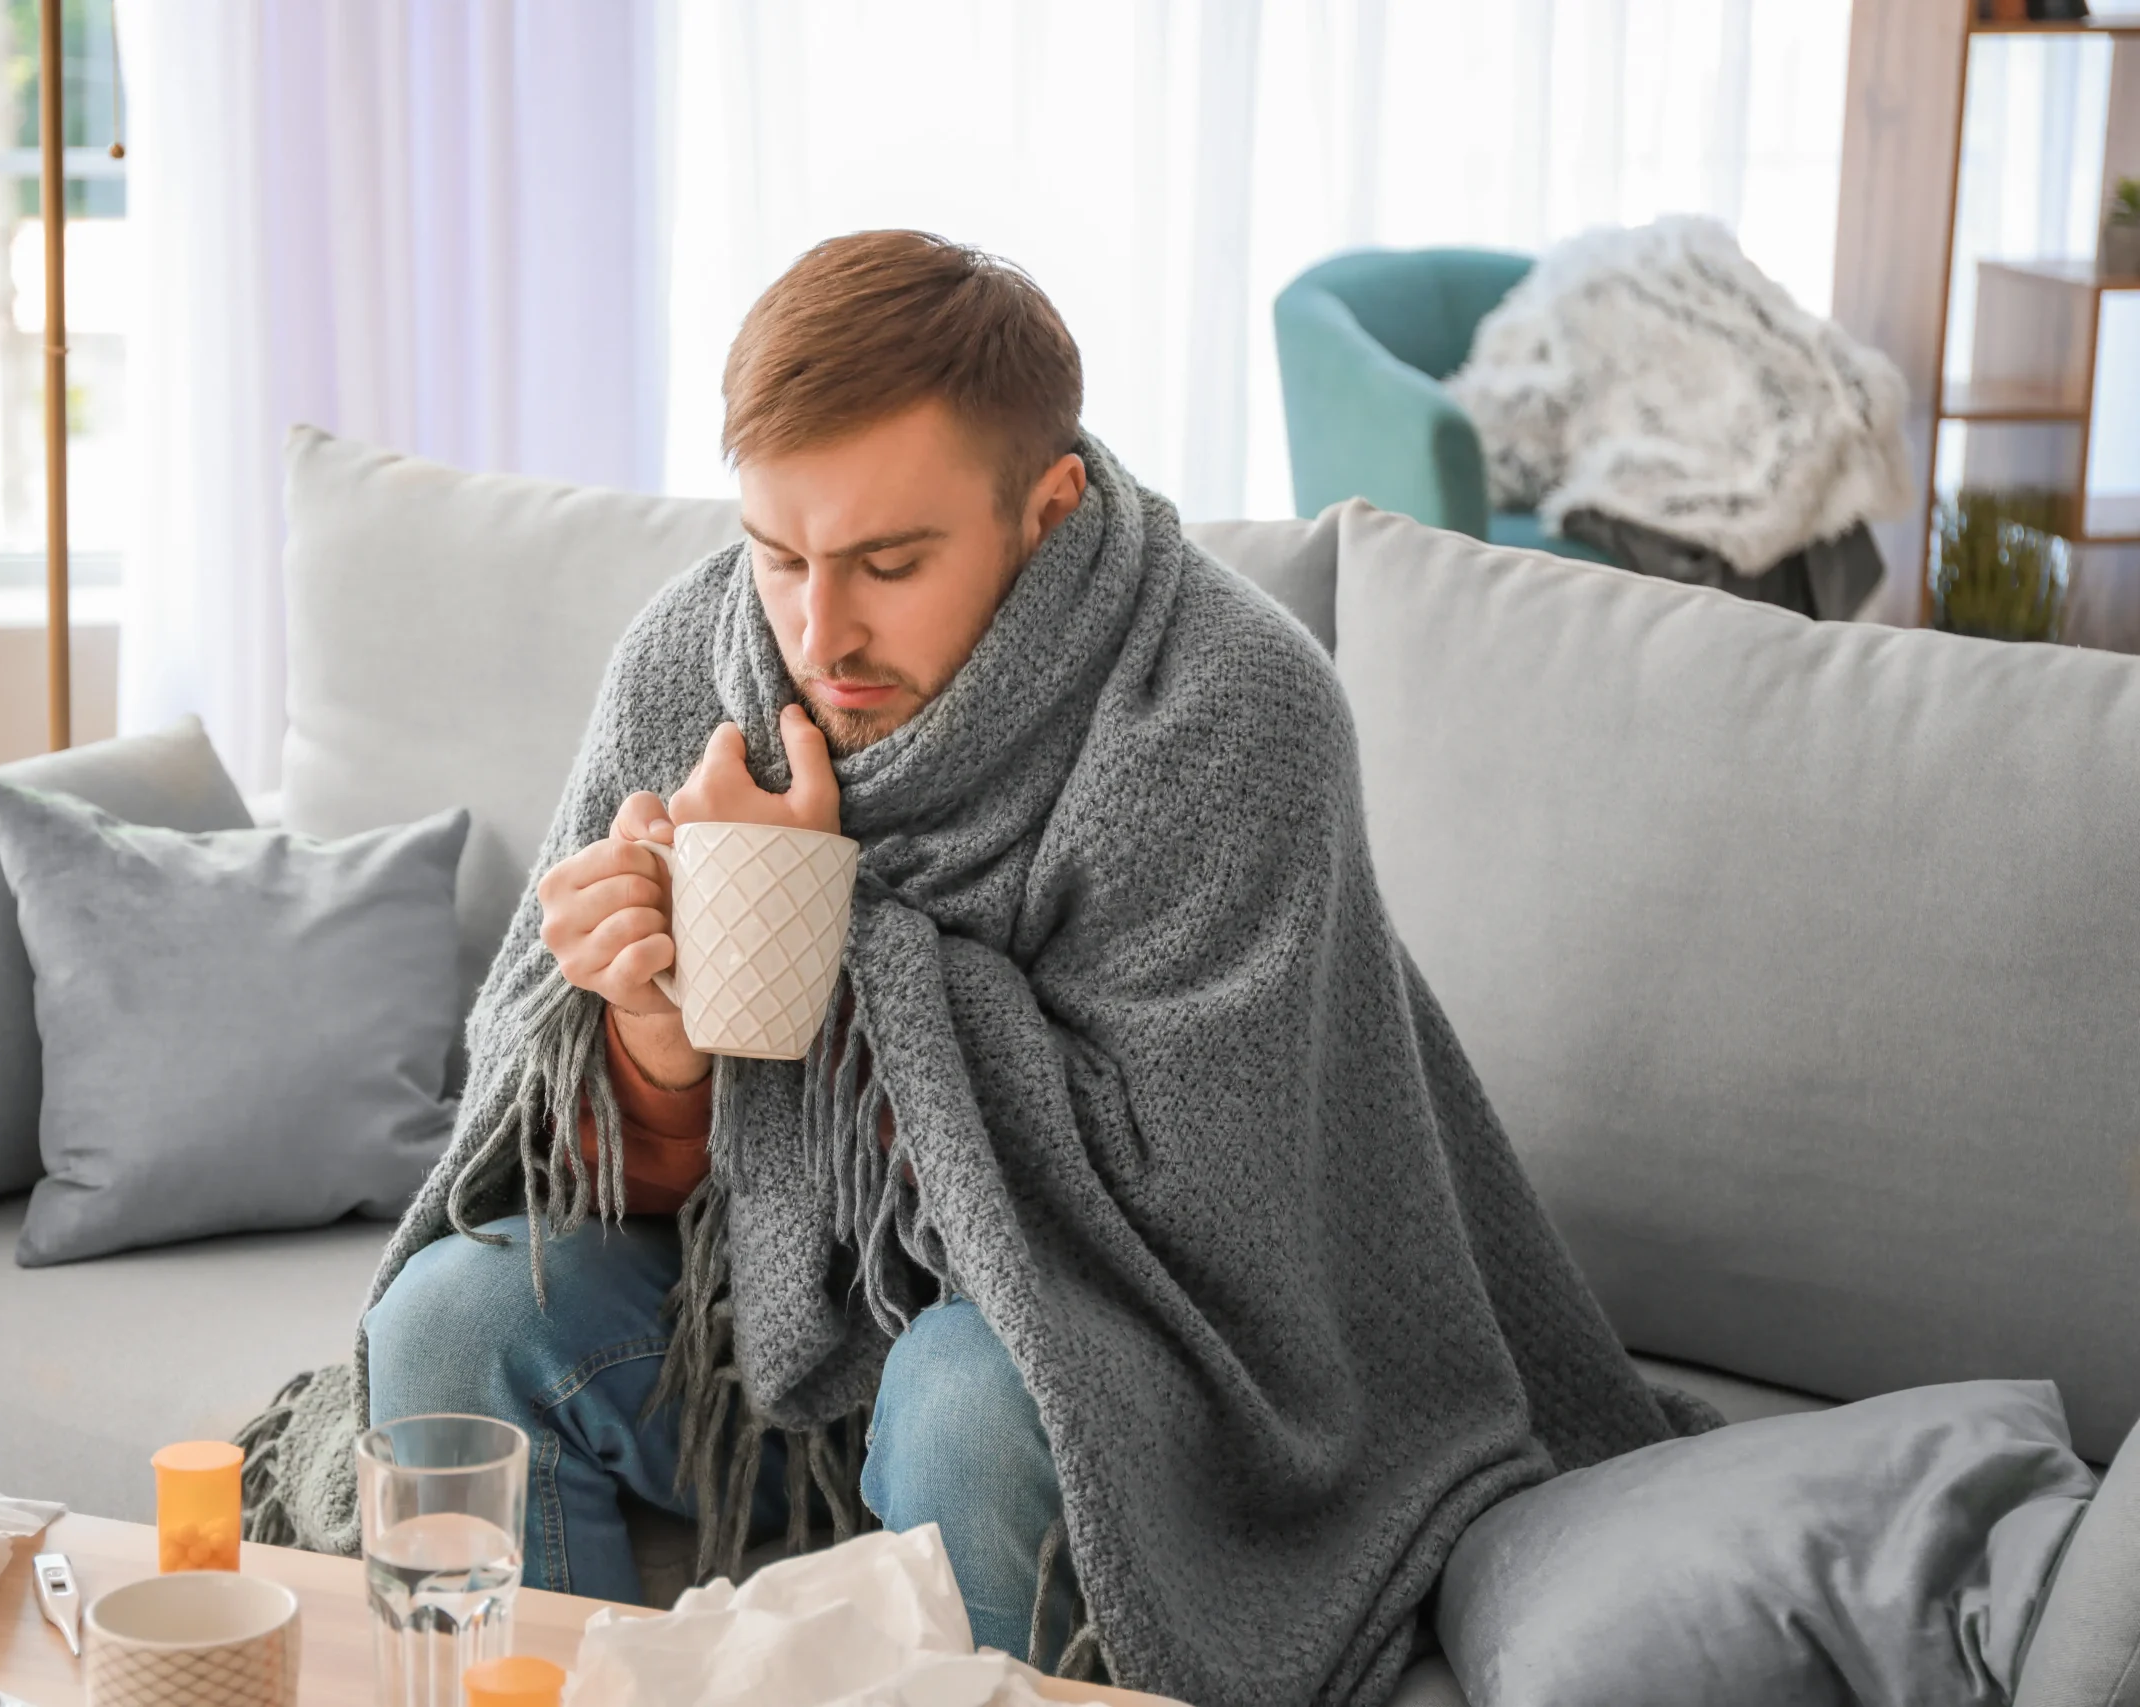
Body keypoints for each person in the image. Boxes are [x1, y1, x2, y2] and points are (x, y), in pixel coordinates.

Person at [249, 231, 1701, 1707]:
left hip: (1130, 1370)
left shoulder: (1229, 714)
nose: (819, 632)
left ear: (1044, 509)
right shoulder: (694, 663)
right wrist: (648, 1040)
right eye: (778, 555)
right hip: (753, 1351)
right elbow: (568, 1177)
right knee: (455, 1315)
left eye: (889, 563)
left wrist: (834, 954)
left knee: (968, 1396)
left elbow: (1201, 1221)